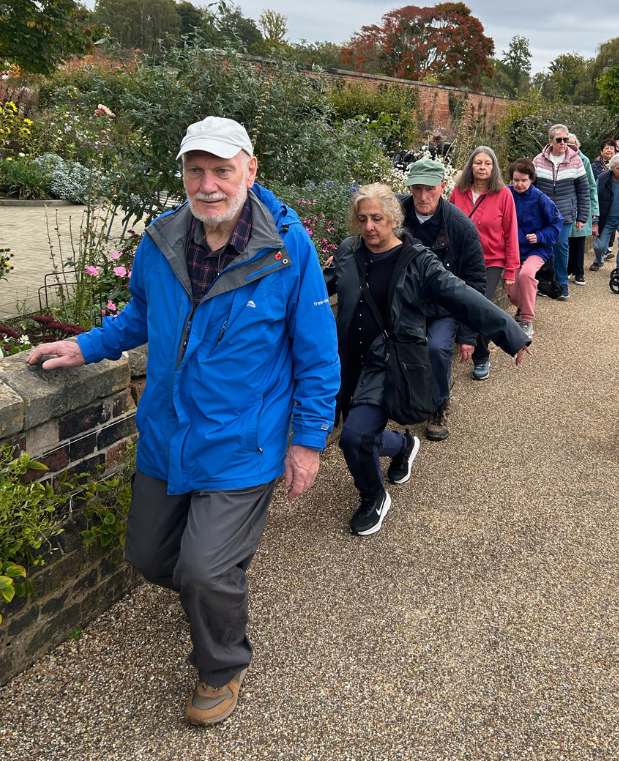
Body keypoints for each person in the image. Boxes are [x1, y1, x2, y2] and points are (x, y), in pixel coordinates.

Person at [27, 117, 341, 727]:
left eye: (222, 170)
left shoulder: (286, 250)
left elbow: (317, 352)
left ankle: (222, 664)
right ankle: (214, 597)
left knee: (203, 566)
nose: (209, 184)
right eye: (195, 170)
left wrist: (307, 441)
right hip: (167, 433)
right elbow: (142, 315)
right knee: (147, 558)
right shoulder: (164, 238)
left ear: (250, 170)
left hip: (243, 440)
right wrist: (87, 346)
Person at [325, 183, 530, 536]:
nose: (369, 227)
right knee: (358, 431)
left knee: (354, 437)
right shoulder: (348, 251)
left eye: (377, 218)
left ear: (393, 219)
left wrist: (510, 333)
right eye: (362, 220)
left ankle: (374, 497)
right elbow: (314, 286)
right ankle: (403, 444)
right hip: (350, 359)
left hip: (389, 362)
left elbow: (463, 296)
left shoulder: (418, 260)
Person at [398, 158, 486, 442]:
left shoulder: (461, 226)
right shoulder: (394, 214)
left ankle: (439, 404)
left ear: (443, 188)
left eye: (430, 190)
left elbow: (475, 282)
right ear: (409, 187)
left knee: (436, 347)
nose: (423, 197)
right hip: (407, 300)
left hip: (445, 304)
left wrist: (468, 334)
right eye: (417, 189)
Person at [449, 146, 518, 381]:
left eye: (487, 163)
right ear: (471, 165)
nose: (482, 167)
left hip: (491, 261)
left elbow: (511, 232)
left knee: (478, 306)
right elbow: (446, 223)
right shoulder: (458, 191)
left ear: (493, 167)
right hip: (460, 259)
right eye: (478, 162)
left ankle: (481, 357)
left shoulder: (504, 194)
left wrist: (511, 270)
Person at [532, 124, 590, 301]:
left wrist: (582, 217)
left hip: (565, 213)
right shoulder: (537, 161)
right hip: (543, 214)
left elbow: (583, 190)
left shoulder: (576, 160)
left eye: (566, 139)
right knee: (544, 247)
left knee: (561, 246)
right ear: (550, 141)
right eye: (559, 140)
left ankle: (562, 284)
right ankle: (545, 283)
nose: (563, 143)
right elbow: (531, 189)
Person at [507, 158, 563, 338]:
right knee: (513, 292)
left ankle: (527, 321)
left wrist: (539, 236)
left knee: (526, 274)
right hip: (514, 249)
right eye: (516, 180)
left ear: (531, 179)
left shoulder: (541, 199)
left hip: (537, 249)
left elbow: (556, 224)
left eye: (524, 180)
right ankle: (524, 303)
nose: (519, 184)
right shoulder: (506, 194)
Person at [566, 134, 599, 286]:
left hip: (580, 204)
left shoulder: (584, 160)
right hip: (565, 204)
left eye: (573, 144)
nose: (570, 147)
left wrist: (594, 210)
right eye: (568, 144)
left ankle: (579, 272)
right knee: (564, 240)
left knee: (579, 241)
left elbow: (591, 186)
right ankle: (565, 270)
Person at [593, 138, 618, 260]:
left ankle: (609, 246)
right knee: (601, 221)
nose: (609, 151)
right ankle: (600, 246)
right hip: (599, 198)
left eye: (611, 148)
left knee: (612, 220)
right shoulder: (595, 166)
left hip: (613, 197)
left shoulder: (618, 165)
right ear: (601, 151)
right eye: (606, 148)